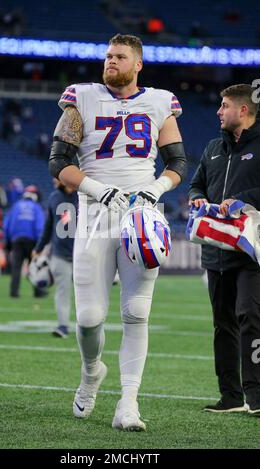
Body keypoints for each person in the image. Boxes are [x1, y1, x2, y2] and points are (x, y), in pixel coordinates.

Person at [49, 34, 187, 430]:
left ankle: (129, 403)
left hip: (141, 215)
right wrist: (96, 188)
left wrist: (156, 188)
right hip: (93, 214)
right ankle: (92, 371)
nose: (111, 61)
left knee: (136, 311)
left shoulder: (161, 101)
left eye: (119, 56)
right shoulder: (82, 97)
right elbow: (58, 161)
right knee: (90, 317)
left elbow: (177, 161)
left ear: (137, 63)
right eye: (108, 55)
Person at [189, 83, 260, 415]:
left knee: (251, 316)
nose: (219, 111)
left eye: (225, 105)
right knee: (223, 323)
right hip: (216, 249)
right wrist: (197, 197)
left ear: (243, 111)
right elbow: (196, 182)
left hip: (249, 249)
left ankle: (256, 395)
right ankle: (231, 395)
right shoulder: (212, 148)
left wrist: (246, 201)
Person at [33, 178, 78, 338]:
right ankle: (63, 326)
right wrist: (38, 249)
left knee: (88, 292)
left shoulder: (84, 196)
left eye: (57, 176)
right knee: (62, 291)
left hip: (83, 254)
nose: (53, 179)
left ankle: (89, 325)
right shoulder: (54, 197)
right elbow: (48, 226)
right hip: (59, 254)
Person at [3, 185, 45, 298]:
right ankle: (38, 292)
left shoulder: (16, 206)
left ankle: (14, 292)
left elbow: (6, 225)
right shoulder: (36, 207)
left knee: (16, 267)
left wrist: (7, 242)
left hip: (16, 241)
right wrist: (40, 244)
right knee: (34, 267)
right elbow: (40, 227)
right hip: (32, 241)